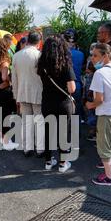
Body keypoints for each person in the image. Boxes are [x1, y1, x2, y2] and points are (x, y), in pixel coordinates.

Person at [86, 43, 111, 186]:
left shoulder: (100, 73)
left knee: (103, 145)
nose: (93, 59)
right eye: (92, 55)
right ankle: (110, 162)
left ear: (106, 55)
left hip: (107, 115)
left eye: (95, 55)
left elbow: (99, 100)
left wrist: (90, 105)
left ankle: (109, 177)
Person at [37, 35, 76, 173]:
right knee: (64, 133)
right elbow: (72, 89)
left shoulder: (42, 65)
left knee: (48, 132)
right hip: (63, 103)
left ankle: (48, 161)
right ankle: (62, 163)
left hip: (47, 102)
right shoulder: (65, 64)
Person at [12, 31, 45, 158]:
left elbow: (14, 78)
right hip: (38, 92)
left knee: (26, 121)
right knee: (39, 121)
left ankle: (27, 148)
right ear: (39, 41)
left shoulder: (17, 56)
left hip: (22, 92)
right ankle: (40, 149)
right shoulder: (39, 55)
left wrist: (16, 95)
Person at [0, 38, 19, 150]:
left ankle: (2, 138)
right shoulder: (4, 62)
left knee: (0, 115)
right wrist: (9, 82)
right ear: (5, 48)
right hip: (3, 92)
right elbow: (4, 77)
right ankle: (7, 141)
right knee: (5, 116)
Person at [64, 29, 85, 122]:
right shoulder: (81, 54)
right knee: (76, 113)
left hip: (64, 86)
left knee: (64, 113)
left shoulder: (62, 54)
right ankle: (76, 135)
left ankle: (64, 134)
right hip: (77, 85)